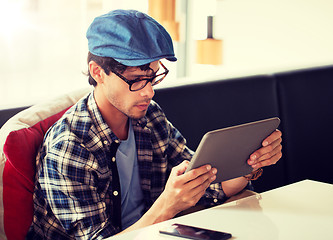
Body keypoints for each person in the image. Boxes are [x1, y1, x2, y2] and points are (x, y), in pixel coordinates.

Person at [27, 9, 282, 239]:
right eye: (137, 80)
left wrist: (248, 165)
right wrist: (169, 205)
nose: (149, 92)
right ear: (97, 72)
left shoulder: (149, 117)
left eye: (153, 77)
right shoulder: (69, 147)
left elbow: (209, 187)